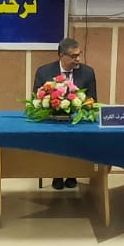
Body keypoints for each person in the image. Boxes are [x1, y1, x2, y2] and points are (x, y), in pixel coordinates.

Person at [34, 38, 99, 190]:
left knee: (77, 137)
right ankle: (57, 173)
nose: (78, 59)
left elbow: (92, 100)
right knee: (55, 137)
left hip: (77, 122)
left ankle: (72, 173)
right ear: (61, 55)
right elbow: (36, 99)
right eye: (73, 56)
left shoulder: (88, 72)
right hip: (52, 121)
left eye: (79, 55)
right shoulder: (44, 72)